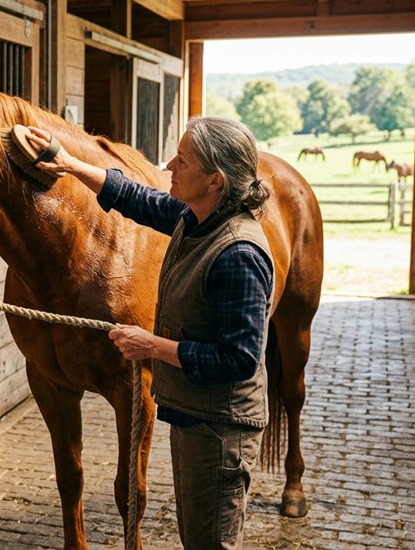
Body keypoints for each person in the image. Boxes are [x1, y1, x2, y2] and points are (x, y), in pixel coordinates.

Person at [26, 116, 274, 550]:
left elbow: (240, 359)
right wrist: (69, 163)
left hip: (221, 426)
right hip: (195, 414)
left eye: (184, 159)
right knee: (196, 534)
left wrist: (152, 346)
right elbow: (137, 199)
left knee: (210, 541)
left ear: (215, 181)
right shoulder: (198, 218)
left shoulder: (238, 254)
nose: (169, 164)